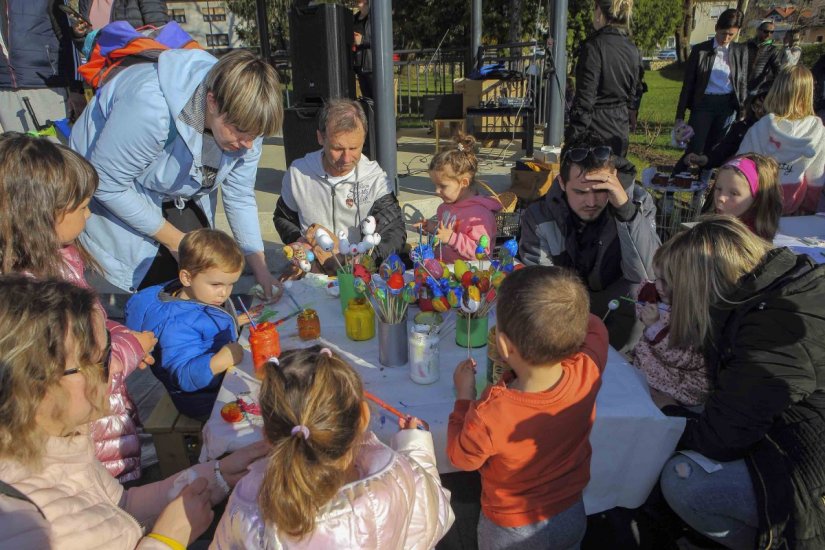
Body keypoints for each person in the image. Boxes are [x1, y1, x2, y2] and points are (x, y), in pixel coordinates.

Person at [0, 275, 269, 548]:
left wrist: (218, 474)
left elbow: (122, 505)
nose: (116, 370)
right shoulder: (19, 523)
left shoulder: (61, 441)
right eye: (100, 360)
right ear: (29, 387)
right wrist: (166, 540)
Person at [654, 216, 825, 549]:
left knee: (684, 480)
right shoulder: (779, 287)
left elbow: (721, 438)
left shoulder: (773, 331)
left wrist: (668, 414)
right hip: (789, 426)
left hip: (806, 468)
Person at [0, 133, 156, 482]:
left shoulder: (58, 260)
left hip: (103, 421)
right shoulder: (35, 294)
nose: (89, 214)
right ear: (44, 212)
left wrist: (119, 332)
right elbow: (80, 370)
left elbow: (92, 322)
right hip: (89, 444)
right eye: (83, 206)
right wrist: (131, 347)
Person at [70, 48, 284, 296]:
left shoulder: (246, 123)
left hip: (175, 191)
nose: (247, 145)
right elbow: (107, 183)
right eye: (239, 132)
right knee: (156, 288)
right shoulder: (150, 108)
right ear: (212, 102)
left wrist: (261, 270)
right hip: (115, 191)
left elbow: (239, 195)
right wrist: (175, 240)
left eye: (255, 137)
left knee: (201, 280)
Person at [212, 346, 455, 548]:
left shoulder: (248, 507)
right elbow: (435, 515)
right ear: (363, 415)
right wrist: (415, 442)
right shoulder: (397, 480)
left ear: (267, 436)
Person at [447, 266, 608, 550]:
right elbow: (596, 327)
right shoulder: (587, 370)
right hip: (570, 513)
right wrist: (566, 314)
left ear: (504, 347)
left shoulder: (491, 412)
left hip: (510, 532)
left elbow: (461, 458)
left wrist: (464, 398)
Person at [519, 137, 660, 350]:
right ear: (562, 183)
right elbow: (539, 286)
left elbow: (648, 274)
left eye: (601, 191)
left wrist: (625, 210)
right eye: (580, 192)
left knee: (640, 292)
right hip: (563, 304)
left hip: (616, 301)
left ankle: (622, 360)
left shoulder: (638, 203)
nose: (591, 202)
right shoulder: (538, 215)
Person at [273, 98, 405, 275]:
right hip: (313, 271)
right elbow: (283, 217)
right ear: (321, 137)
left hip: (358, 273)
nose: (347, 158)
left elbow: (394, 229)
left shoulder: (374, 177)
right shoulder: (298, 173)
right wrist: (299, 240)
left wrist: (367, 260)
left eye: (354, 148)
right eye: (338, 148)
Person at [125, 229, 246, 419]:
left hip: (218, 382)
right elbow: (183, 376)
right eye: (217, 285)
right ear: (187, 278)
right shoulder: (175, 325)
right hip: (205, 400)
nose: (225, 293)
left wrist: (235, 318)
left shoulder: (197, 294)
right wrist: (219, 361)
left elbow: (204, 320)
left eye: (231, 284)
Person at [737, 64, 825, 215]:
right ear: (808, 93)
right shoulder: (816, 131)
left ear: (776, 89)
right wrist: (808, 209)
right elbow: (816, 177)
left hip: (757, 201)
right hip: (793, 205)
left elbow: (741, 165)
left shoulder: (760, 127)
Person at [566, 0, 644, 157]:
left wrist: (572, 139)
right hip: (620, 129)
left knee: (590, 178)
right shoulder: (632, 49)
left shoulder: (594, 46)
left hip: (595, 130)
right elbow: (635, 92)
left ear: (599, 13)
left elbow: (585, 100)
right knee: (613, 177)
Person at [0, 0, 86, 137]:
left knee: (55, 152)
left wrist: (76, 88)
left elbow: (68, 37)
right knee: (15, 154)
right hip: (4, 89)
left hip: (46, 85)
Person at [633, 261, 709, 408]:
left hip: (679, 386)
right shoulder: (663, 297)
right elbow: (642, 305)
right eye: (656, 279)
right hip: (657, 369)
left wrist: (655, 328)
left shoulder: (697, 319)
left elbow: (682, 357)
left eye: (665, 281)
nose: (658, 286)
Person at [415, 134, 502, 262]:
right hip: (445, 271)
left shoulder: (479, 215)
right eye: (435, 185)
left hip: (470, 277)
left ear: (464, 183)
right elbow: (448, 231)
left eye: (442, 186)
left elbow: (482, 254)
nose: (436, 191)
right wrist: (432, 227)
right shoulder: (444, 207)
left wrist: (451, 238)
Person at [676, 9, 748, 160]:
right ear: (716, 28)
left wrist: (742, 111)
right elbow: (688, 84)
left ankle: (704, 181)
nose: (726, 38)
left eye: (731, 35)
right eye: (723, 33)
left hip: (727, 106)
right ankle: (682, 179)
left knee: (715, 150)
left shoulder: (740, 51)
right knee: (694, 147)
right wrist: (680, 115)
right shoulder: (700, 50)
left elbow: (742, 82)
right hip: (703, 103)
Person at [675, 84, 768, 174]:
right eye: (756, 106)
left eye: (764, 109)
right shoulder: (741, 127)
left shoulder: (775, 131)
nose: (759, 111)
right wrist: (701, 159)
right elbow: (722, 152)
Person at [707, 154, 782, 241]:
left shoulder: (746, 242)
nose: (720, 198)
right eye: (718, 188)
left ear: (757, 199)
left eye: (733, 193)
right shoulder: (719, 226)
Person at [747, 20, 783, 96]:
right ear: (758, 30)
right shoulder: (747, 45)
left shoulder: (772, 49)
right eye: (766, 31)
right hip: (741, 84)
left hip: (757, 87)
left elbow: (777, 69)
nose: (768, 34)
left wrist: (769, 86)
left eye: (771, 32)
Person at [80, 0, 169, 30]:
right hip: (99, 70)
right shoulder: (86, 2)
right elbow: (86, 47)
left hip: (136, 68)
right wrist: (79, 35)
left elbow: (160, 34)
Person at [353, 0, 373, 101]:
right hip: (358, 65)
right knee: (367, 99)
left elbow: (381, 40)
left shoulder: (374, 17)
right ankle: (370, 116)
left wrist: (362, 40)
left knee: (376, 98)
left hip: (371, 66)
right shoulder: (354, 18)